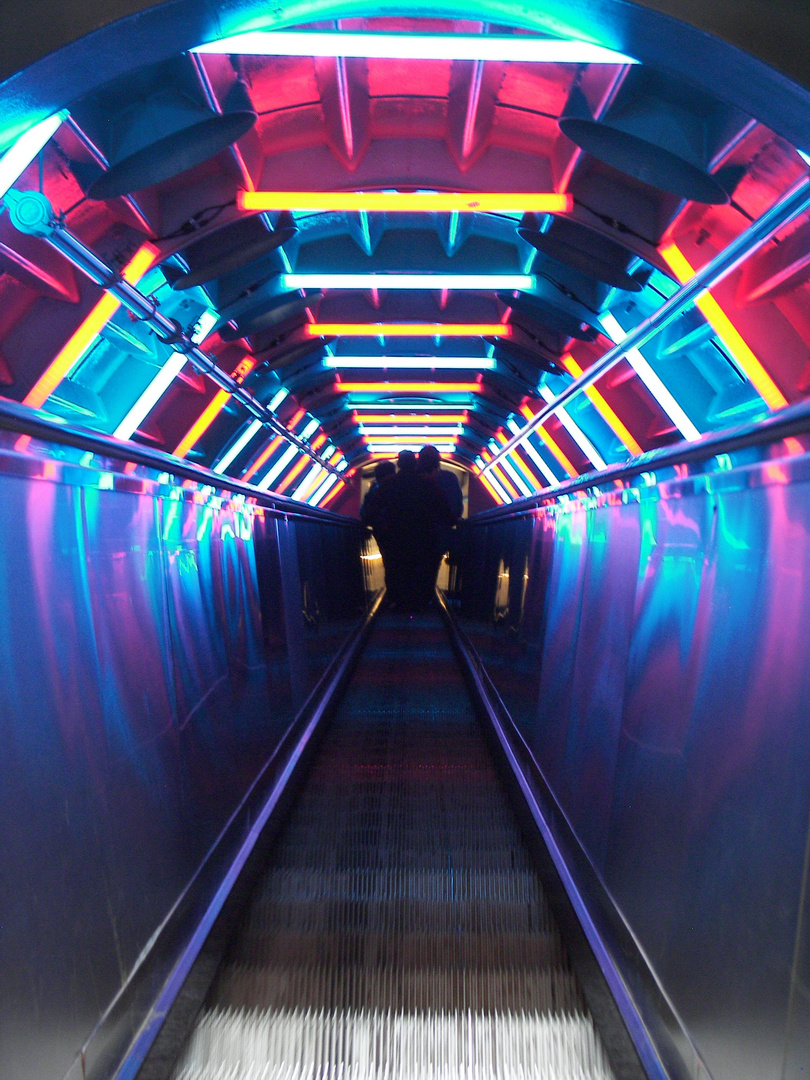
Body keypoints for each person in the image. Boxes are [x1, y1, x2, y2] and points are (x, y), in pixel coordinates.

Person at [376, 449, 454, 611]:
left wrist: (373, 526)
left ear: (399, 464)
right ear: (415, 463)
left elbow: (374, 508)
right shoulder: (429, 483)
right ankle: (421, 602)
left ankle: (398, 601)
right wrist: (454, 522)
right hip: (424, 535)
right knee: (422, 569)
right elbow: (443, 508)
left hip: (395, 535)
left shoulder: (388, 483)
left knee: (397, 568)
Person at [418, 444, 463, 597]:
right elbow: (457, 506)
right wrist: (452, 520)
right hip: (441, 531)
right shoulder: (449, 478)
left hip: (415, 530)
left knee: (414, 564)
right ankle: (428, 595)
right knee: (432, 565)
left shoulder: (413, 480)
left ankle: (413, 597)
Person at [360, 459, 396, 589]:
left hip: (381, 530)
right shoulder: (400, 488)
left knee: (388, 561)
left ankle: (392, 592)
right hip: (401, 529)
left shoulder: (374, 490)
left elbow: (366, 512)